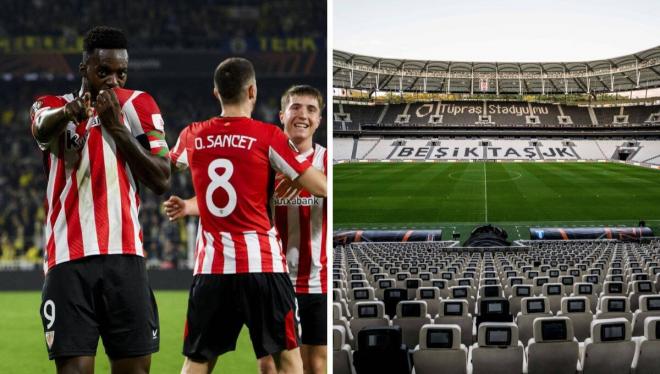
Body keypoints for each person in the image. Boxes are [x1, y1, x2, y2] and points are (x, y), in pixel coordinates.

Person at [165, 58, 326, 374]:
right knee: (287, 359)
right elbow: (318, 186)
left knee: (198, 360)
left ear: (216, 92)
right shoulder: (267, 136)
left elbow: (163, 169)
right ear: (252, 90)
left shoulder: (192, 134)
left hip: (211, 267)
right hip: (261, 265)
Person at [30, 26, 170, 374]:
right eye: (103, 71)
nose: (113, 80)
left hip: (125, 258)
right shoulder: (53, 105)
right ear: (84, 69)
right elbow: (41, 129)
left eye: (121, 72)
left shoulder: (139, 104)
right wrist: (70, 113)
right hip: (68, 261)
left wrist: (117, 128)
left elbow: (161, 178)